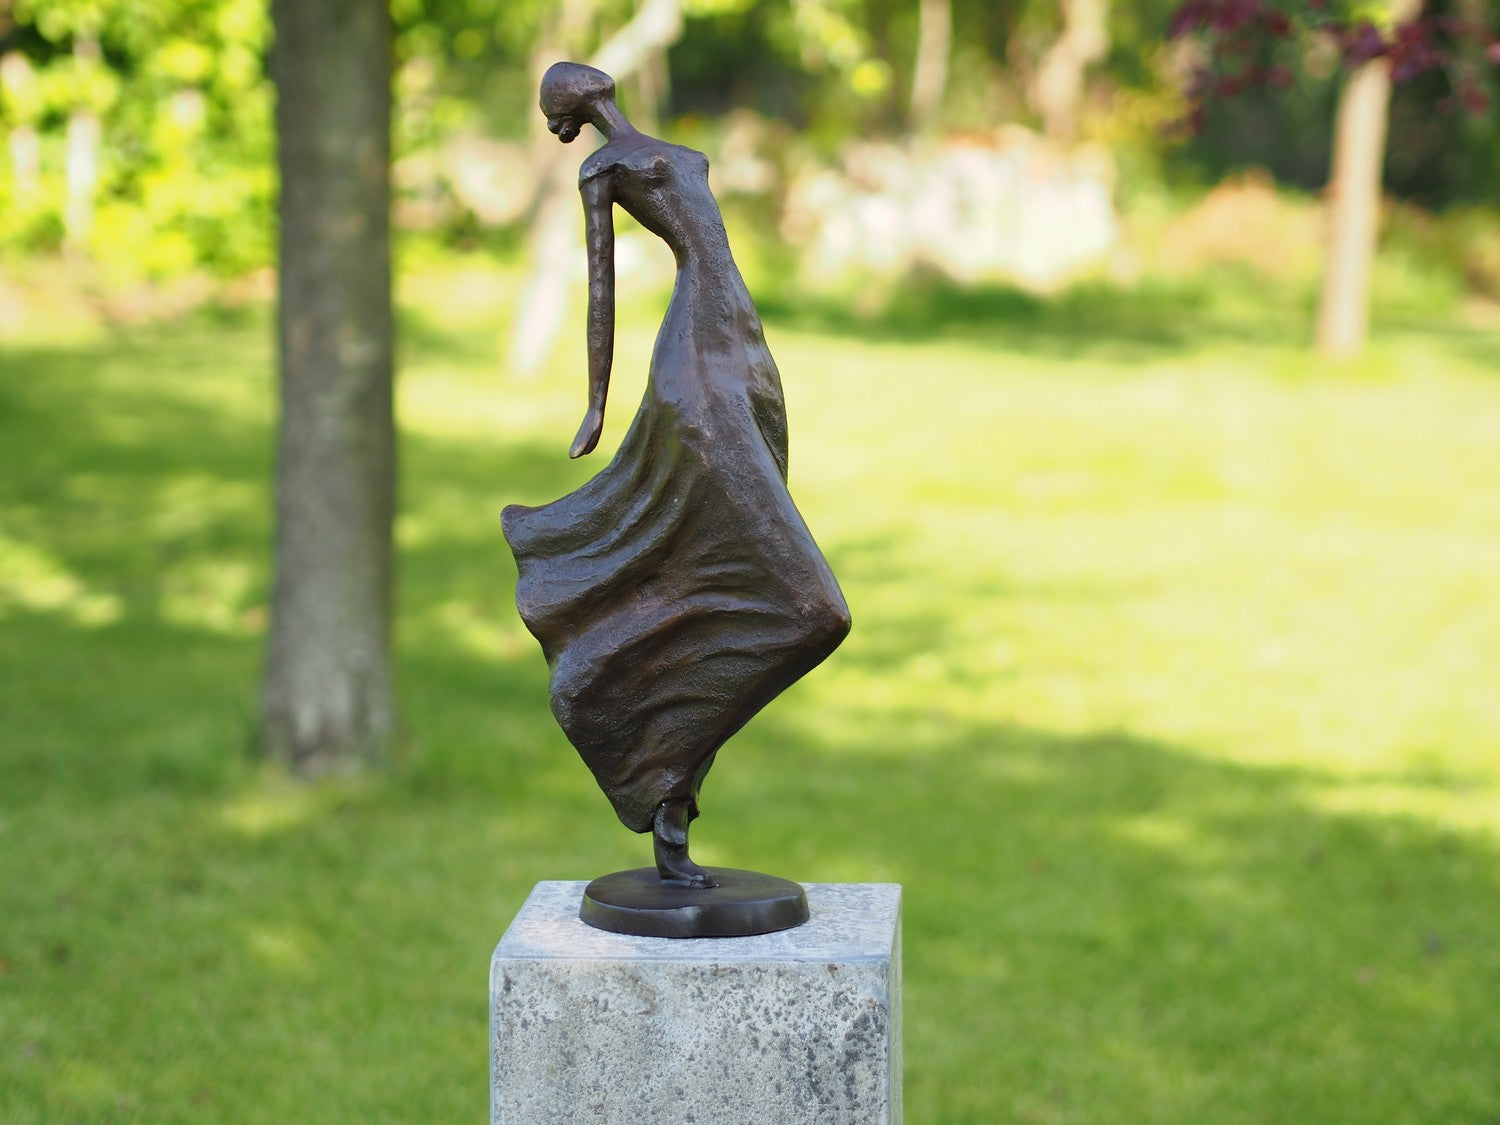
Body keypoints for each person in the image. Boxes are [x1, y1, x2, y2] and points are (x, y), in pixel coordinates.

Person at [502, 62, 850, 888]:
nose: (568, 115)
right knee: (815, 609)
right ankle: (644, 742)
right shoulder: (604, 169)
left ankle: (671, 781)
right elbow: (602, 293)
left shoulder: (672, 150)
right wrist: (597, 403)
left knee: (727, 555)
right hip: (697, 370)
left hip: (744, 348)